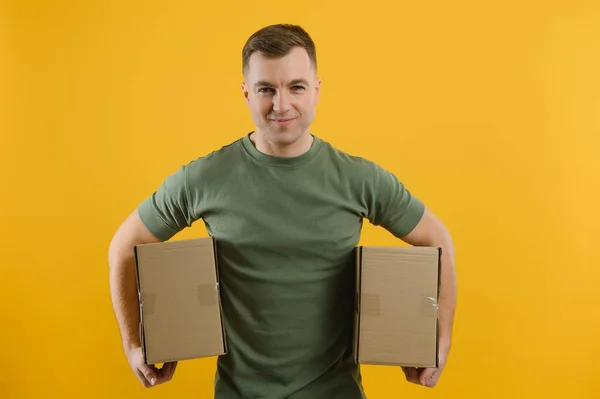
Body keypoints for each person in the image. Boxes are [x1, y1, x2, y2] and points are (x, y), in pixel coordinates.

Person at [108, 23, 456, 399]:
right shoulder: (206, 177)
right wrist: (133, 343)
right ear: (246, 93)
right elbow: (123, 248)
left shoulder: (359, 179)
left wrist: (440, 337)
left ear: (317, 91)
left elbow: (437, 241)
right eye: (266, 89)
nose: (281, 104)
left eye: (296, 87)